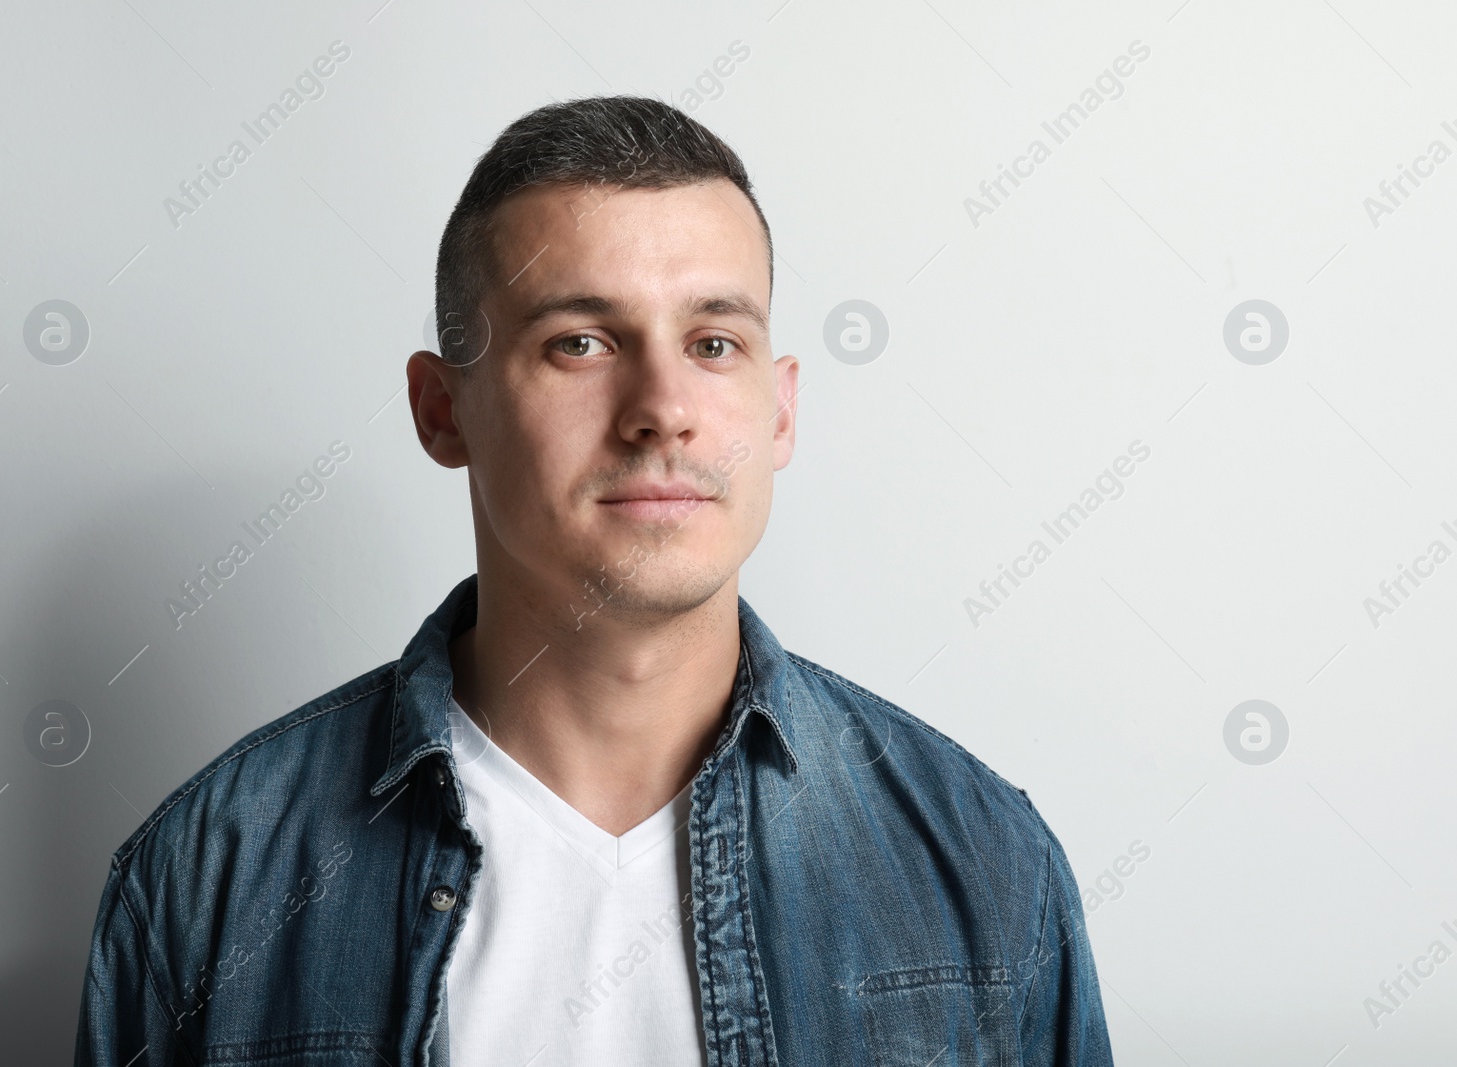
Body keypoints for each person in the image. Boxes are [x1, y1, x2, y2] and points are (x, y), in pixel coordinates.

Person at [76, 94, 1112, 1067]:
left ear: (780, 409)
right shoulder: (211, 873)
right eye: (579, 341)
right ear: (442, 410)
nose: (662, 406)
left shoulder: (978, 856)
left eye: (713, 341)